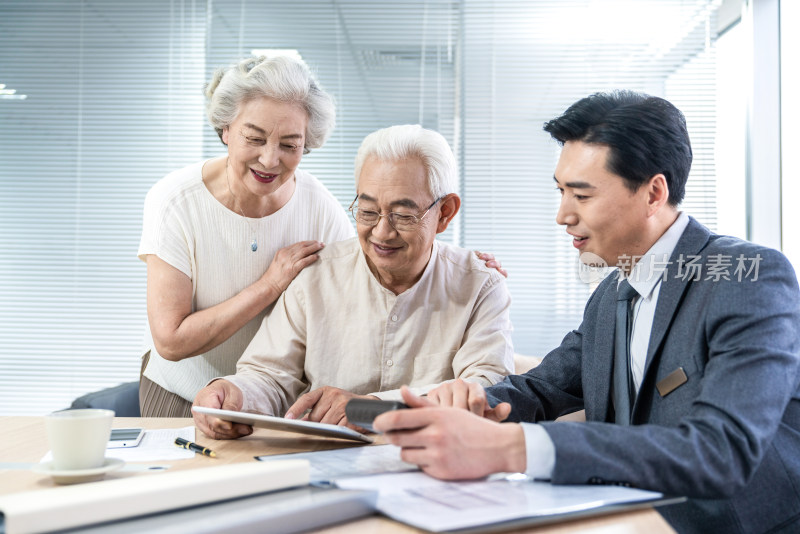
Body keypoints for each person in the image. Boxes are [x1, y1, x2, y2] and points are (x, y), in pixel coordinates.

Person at [374, 92, 800, 534]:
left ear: (653, 193)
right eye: (561, 192)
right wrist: (469, 404)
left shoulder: (748, 277)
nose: (562, 215)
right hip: (630, 516)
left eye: (581, 195)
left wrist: (512, 446)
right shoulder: (612, 294)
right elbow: (539, 389)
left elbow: (721, 451)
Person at [192, 124, 515, 439]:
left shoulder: (481, 286)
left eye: (403, 215)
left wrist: (373, 409)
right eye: (368, 210)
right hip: (323, 464)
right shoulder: (315, 277)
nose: (382, 232)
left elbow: (485, 388)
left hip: (432, 464)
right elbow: (270, 375)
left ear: (444, 213)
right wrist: (234, 393)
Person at [137, 55, 354, 417]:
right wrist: (270, 285)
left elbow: (362, 299)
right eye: (254, 138)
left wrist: (458, 268)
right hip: (182, 394)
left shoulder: (321, 208)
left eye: (289, 145)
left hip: (274, 402)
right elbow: (170, 340)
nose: (270, 160)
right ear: (225, 129)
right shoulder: (176, 202)